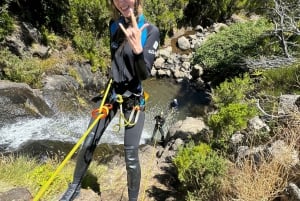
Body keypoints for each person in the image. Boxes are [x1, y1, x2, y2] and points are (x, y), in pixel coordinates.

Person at [59, 0, 160, 200]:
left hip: (133, 98)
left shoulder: (150, 30)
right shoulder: (113, 25)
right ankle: (74, 187)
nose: (122, 2)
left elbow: (144, 73)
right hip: (112, 93)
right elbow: (117, 60)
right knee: (89, 141)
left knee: (131, 156)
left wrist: (139, 51)